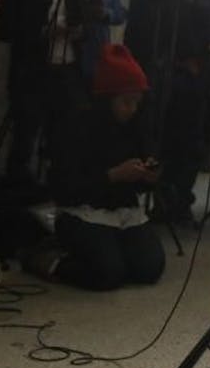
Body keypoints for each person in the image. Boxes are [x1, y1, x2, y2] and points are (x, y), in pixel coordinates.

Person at [0, 0, 127, 184]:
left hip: (68, 74)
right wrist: (42, 32)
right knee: (24, 142)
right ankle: (17, 200)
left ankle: (60, 197)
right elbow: (3, 30)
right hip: (30, 76)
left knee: (66, 142)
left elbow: (87, 20)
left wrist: (81, 28)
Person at [24, 44, 165, 291]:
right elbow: (65, 188)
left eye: (136, 102)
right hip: (82, 211)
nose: (132, 109)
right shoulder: (77, 127)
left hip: (123, 210)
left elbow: (145, 168)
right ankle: (48, 259)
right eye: (126, 102)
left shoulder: (136, 126)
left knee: (149, 268)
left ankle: (113, 249)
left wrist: (150, 175)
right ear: (107, 99)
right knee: (107, 274)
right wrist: (112, 176)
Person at [125, 0, 210, 224]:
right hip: (156, 74)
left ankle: (179, 199)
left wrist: (191, 1)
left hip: (189, 78)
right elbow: (137, 31)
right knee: (154, 138)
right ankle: (158, 195)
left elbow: (207, 33)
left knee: (188, 141)